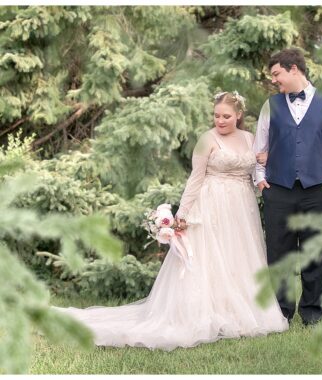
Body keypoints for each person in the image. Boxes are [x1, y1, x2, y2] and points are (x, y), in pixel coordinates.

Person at [53, 91, 288, 350]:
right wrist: (183, 214)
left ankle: (241, 312)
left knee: (239, 257)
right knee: (212, 258)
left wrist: (262, 162)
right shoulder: (206, 140)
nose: (220, 121)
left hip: (242, 208)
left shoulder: (249, 138)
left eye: (226, 116)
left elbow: (255, 172)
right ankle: (208, 313)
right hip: (211, 206)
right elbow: (196, 178)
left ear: (239, 115)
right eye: (216, 115)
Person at [254, 48, 322, 326]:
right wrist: (261, 183)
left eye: (276, 74)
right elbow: (258, 149)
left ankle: (312, 313)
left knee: (315, 254)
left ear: (293, 69)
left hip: (317, 191)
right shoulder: (270, 105)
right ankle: (281, 313)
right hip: (278, 190)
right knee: (278, 253)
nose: (274, 80)